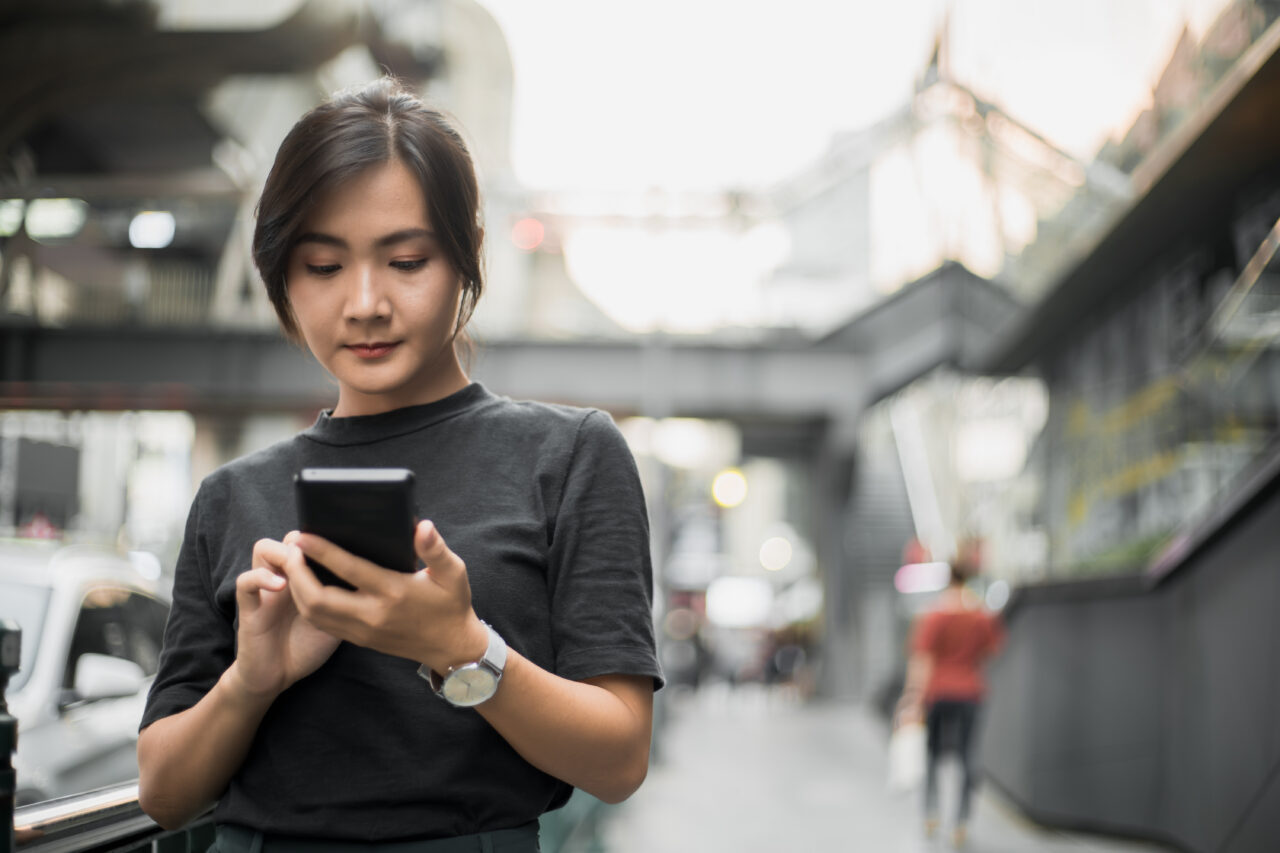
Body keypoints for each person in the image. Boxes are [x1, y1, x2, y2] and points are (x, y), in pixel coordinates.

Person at [136, 77, 663, 851]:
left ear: (464, 260)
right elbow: (163, 791)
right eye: (322, 266)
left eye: (406, 260)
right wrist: (253, 678)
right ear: (282, 277)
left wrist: (459, 645)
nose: (365, 302)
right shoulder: (229, 496)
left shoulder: (570, 455)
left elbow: (619, 757)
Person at [899, 559, 1003, 848]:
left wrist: (912, 696)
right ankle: (961, 822)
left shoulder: (933, 614)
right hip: (971, 690)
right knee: (968, 756)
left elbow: (922, 659)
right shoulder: (980, 615)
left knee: (932, 754)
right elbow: (993, 649)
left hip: (937, 693)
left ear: (947, 579)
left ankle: (931, 814)